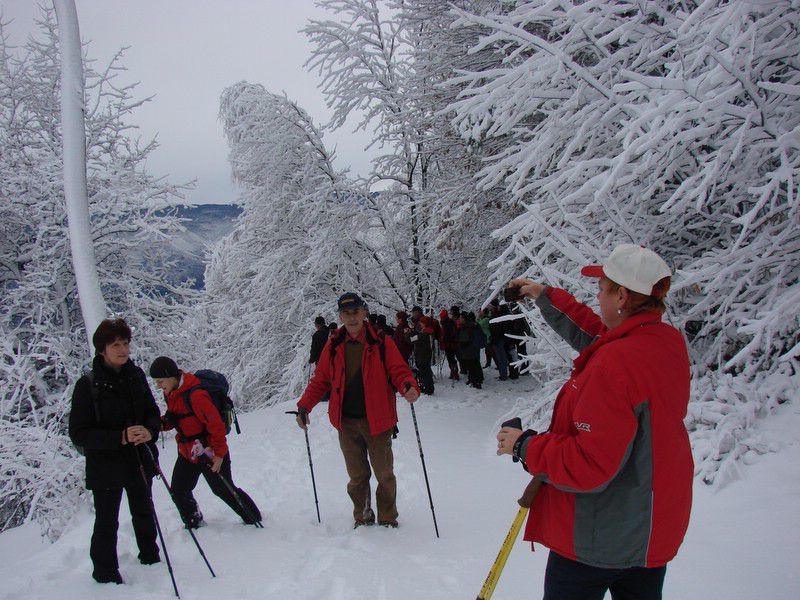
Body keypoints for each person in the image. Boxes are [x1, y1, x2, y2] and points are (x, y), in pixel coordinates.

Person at [496, 244, 693, 600]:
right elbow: (600, 337)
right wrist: (545, 296)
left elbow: (589, 465)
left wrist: (525, 445)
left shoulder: (613, 364)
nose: (597, 296)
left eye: (601, 289)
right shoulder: (664, 343)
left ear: (621, 295)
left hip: (599, 538)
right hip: (648, 533)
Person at [296, 292, 420, 528]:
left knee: (384, 474)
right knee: (357, 476)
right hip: (346, 423)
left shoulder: (381, 341)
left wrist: (409, 387)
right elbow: (320, 379)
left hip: (379, 421)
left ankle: (387, 518)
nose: (351, 318)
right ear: (340, 316)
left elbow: (399, 371)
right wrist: (304, 406)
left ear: (364, 312)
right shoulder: (333, 345)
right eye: (346, 314)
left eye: (355, 312)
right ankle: (362, 515)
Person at [69, 318, 161, 584]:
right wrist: (119, 437)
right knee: (107, 521)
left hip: (138, 459)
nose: (122, 350)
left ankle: (150, 556)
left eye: (125, 343)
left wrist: (150, 431)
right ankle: (105, 573)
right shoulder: (87, 385)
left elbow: (152, 413)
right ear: (102, 350)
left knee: (144, 510)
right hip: (106, 466)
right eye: (115, 345)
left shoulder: (136, 375)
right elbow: (79, 433)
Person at [149, 356, 261, 528]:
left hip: (210, 451)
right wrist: (155, 425)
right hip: (188, 452)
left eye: (160, 381)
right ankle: (193, 522)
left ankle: (253, 518)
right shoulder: (171, 393)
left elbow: (215, 425)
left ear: (171, 376)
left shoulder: (196, 395)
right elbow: (177, 419)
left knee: (223, 489)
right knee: (179, 490)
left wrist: (219, 454)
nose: (158, 386)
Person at [410, 306, 435, 395]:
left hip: (422, 355)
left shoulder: (424, 334)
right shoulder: (428, 332)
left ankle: (428, 389)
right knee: (426, 371)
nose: (420, 324)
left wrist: (409, 333)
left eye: (421, 322)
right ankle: (428, 387)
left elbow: (412, 339)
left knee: (425, 372)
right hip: (425, 354)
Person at [457, 311, 484, 388]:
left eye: (461, 318)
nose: (460, 319)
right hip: (469, 348)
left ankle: (476, 381)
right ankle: (473, 379)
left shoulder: (469, 326)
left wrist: (463, 343)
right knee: (473, 364)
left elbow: (467, 338)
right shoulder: (467, 325)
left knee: (473, 365)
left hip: (470, 348)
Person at [438, 309, 460, 381]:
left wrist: (441, 339)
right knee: (451, 358)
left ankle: (454, 373)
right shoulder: (449, 322)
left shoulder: (447, 324)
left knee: (451, 359)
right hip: (451, 344)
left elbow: (447, 336)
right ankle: (454, 372)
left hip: (449, 344)